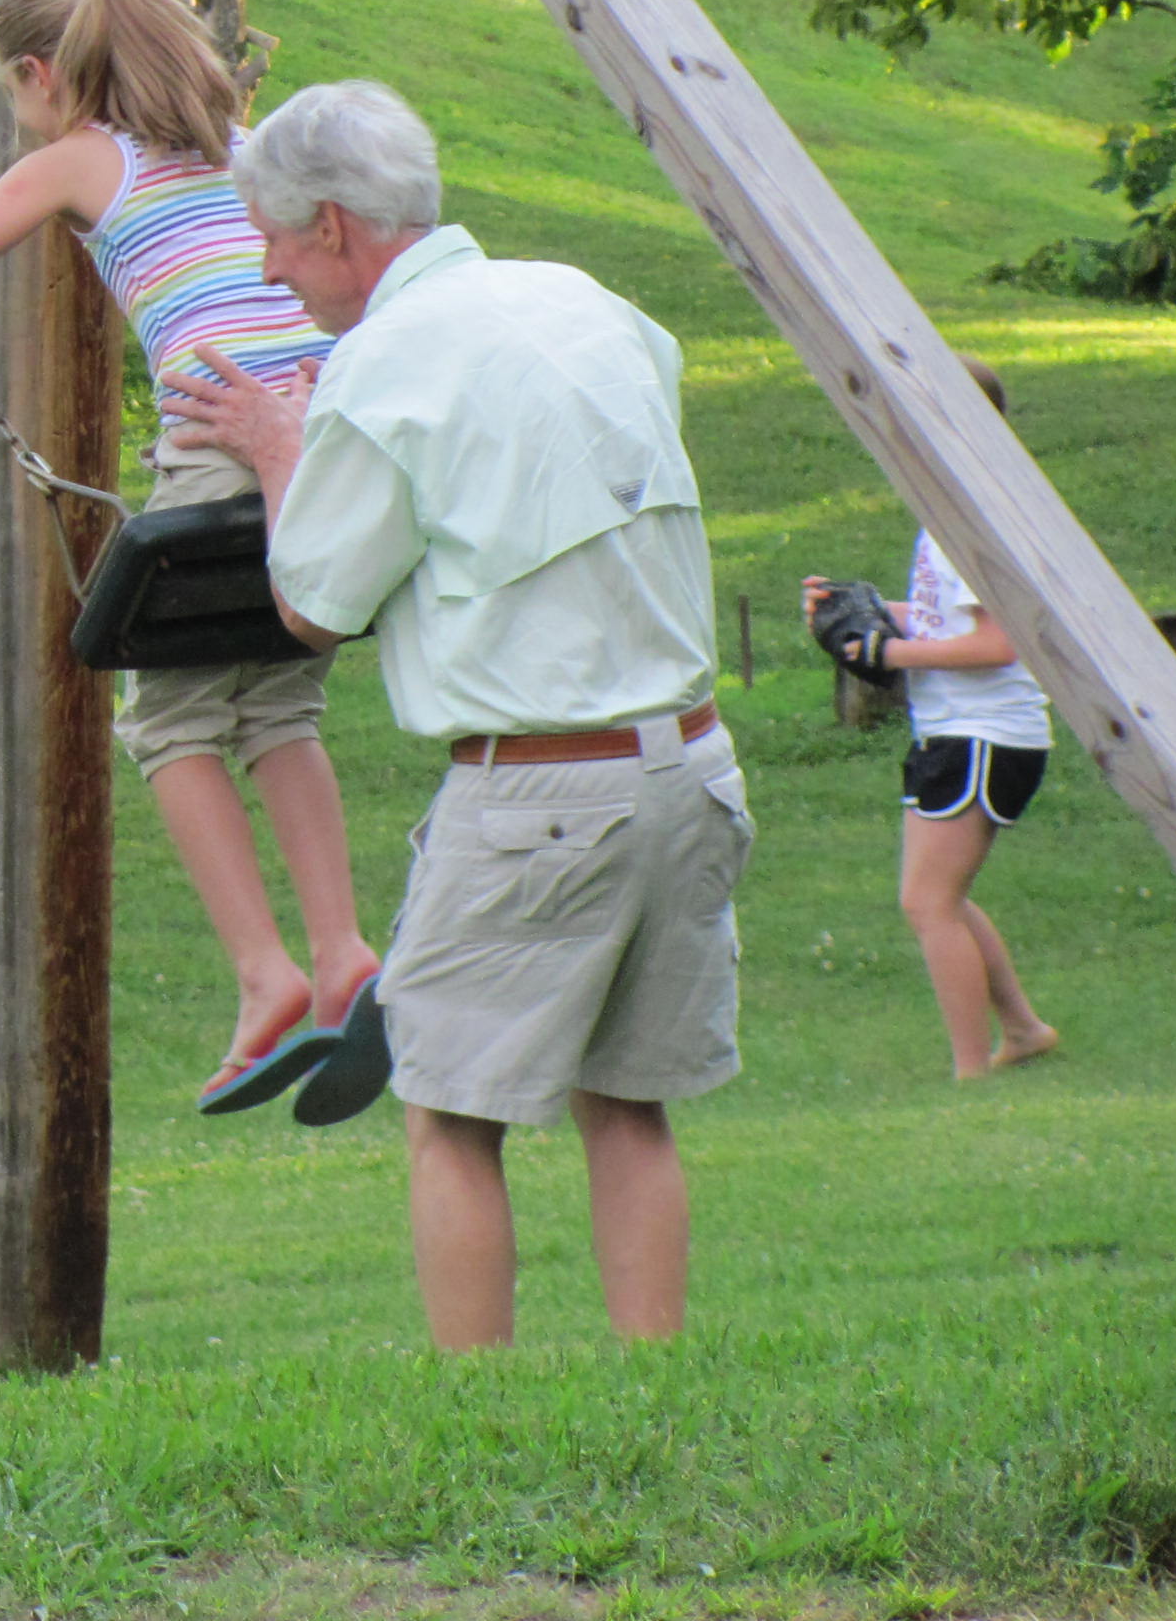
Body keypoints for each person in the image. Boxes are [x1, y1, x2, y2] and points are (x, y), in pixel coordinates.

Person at [162, 81, 748, 1350]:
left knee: (444, 1112)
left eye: (271, 238)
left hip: (538, 794)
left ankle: (477, 1414)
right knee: (628, 1104)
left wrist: (280, 447)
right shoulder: (586, 301)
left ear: (331, 226)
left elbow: (314, 606)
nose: (267, 270)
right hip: (692, 767)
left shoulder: (384, 363)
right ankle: (661, 1379)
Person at [0, 0, 379, 1116]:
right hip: (324, 427)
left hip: (225, 431)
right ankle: (342, 955)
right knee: (279, 703)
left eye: (12, 96)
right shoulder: (248, 147)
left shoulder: (84, 157)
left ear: (42, 74)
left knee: (168, 719)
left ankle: (265, 975)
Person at [803, 356, 1059, 1081]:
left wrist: (889, 650)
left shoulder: (967, 519)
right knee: (942, 898)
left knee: (927, 903)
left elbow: (997, 644)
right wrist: (872, 611)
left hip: (983, 735)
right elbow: (953, 620)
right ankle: (1023, 1029)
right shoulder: (954, 511)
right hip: (960, 733)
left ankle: (969, 1070)